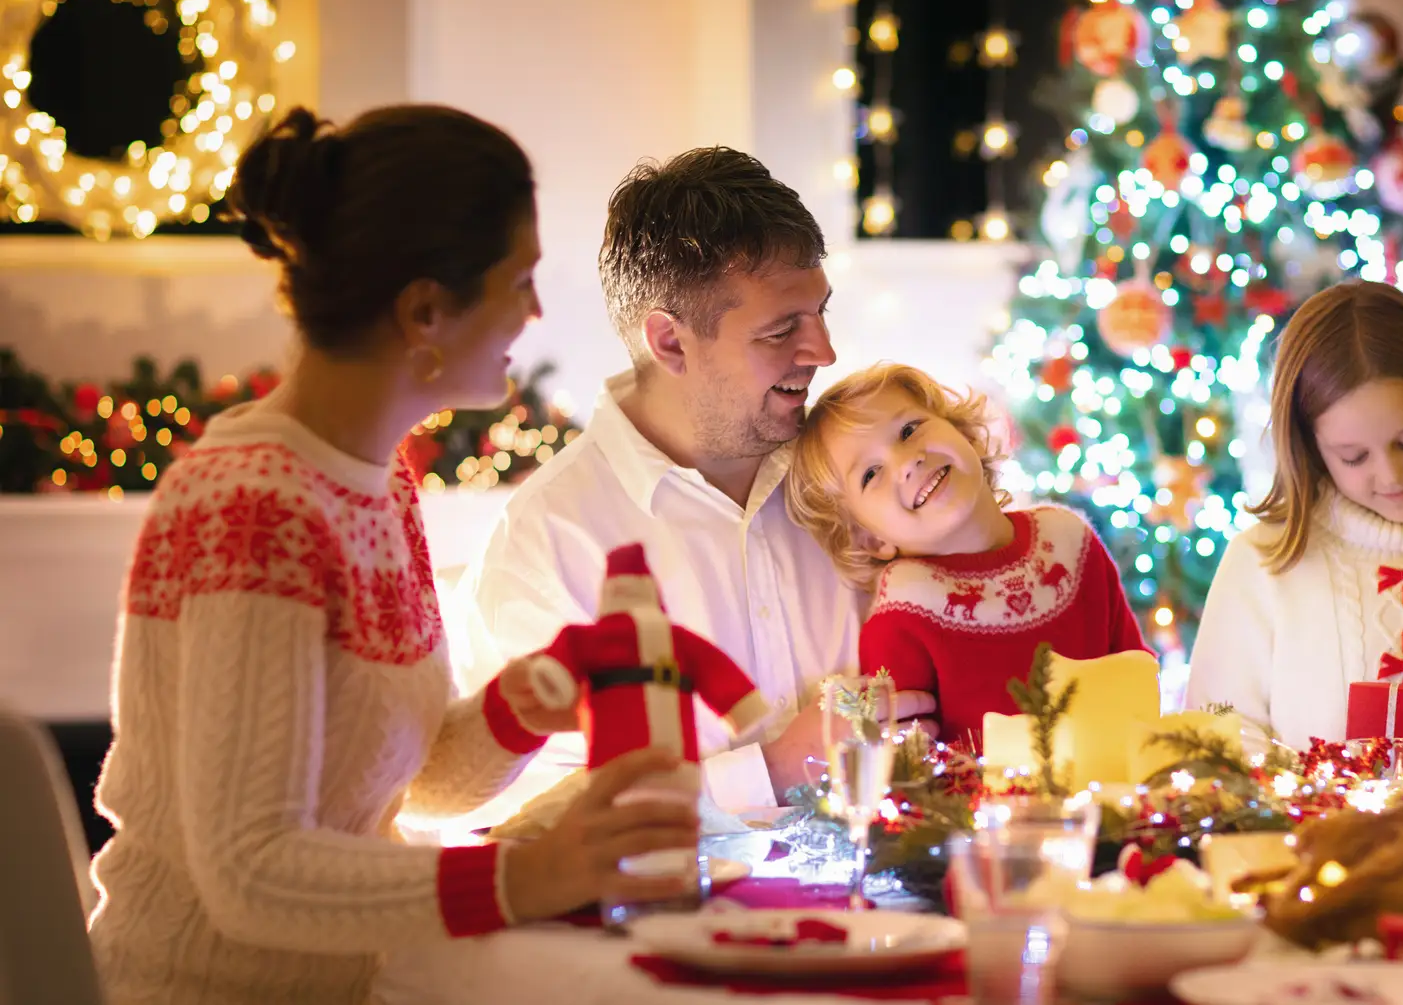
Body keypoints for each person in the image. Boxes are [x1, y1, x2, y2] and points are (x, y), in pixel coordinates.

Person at [87, 106, 700, 1005]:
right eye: (518, 281)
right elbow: (252, 871)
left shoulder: (377, 483)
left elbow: (400, 795)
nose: (534, 312)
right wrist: (524, 879)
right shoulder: (253, 500)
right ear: (423, 310)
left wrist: (530, 697)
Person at [451, 147, 886, 818]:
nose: (823, 351)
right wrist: (766, 773)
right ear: (671, 342)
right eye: (782, 330)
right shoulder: (546, 544)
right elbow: (524, 825)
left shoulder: (860, 475)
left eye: (820, 312)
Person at [1185, 281, 1403, 744]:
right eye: (1353, 457)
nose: (1391, 475)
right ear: (1310, 447)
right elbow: (1217, 735)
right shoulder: (1264, 559)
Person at [785, 363, 1149, 750]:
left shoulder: (1068, 540)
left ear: (965, 434)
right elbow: (905, 767)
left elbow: (1135, 673)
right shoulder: (902, 616)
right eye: (871, 474)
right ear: (871, 539)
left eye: (909, 430)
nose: (907, 461)